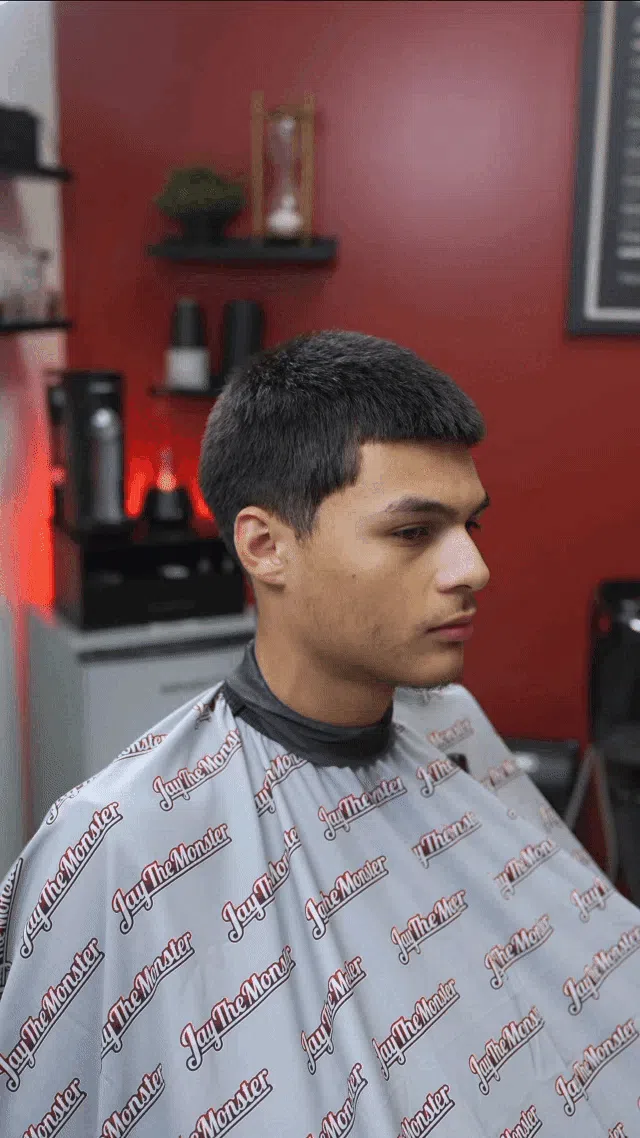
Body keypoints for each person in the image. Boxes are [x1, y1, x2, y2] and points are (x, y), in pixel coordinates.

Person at [1, 330, 638, 1138]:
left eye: (471, 526)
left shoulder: (458, 733)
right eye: (414, 532)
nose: (472, 569)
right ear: (266, 547)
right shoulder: (118, 841)